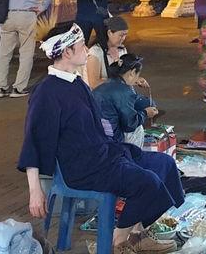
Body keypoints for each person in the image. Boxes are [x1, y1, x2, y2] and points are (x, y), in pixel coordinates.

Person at [18, 23, 182, 254]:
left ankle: (138, 233)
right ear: (67, 52)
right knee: (147, 182)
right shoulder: (46, 92)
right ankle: (119, 241)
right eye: (82, 45)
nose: (87, 50)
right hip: (84, 168)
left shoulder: (76, 83)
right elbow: (33, 141)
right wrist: (35, 191)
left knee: (165, 164)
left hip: (105, 155)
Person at [93, 53, 158, 148]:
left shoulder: (104, 85)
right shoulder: (124, 91)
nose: (137, 78)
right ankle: (131, 157)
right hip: (111, 139)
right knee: (137, 129)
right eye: (137, 75)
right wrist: (145, 113)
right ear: (132, 73)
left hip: (95, 134)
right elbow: (130, 124)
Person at [85, 15, 137, 90]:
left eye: (125, 35)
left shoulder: (122, 50)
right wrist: (119, 81)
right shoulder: (95, 53)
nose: (123, 38)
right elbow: (94, 84)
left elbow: (126, 75)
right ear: (109, 33)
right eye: (121, 35)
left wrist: (136, 80)